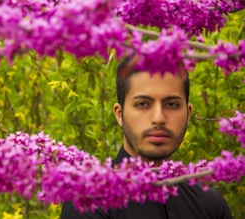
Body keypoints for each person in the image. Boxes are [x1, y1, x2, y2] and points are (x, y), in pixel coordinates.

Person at [60, 56, 233, 219]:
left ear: (188, 114)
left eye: (172, 105)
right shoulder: (89, 201)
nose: (158, 118)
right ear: (119, 114)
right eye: (142, 104)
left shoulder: (210, 204)